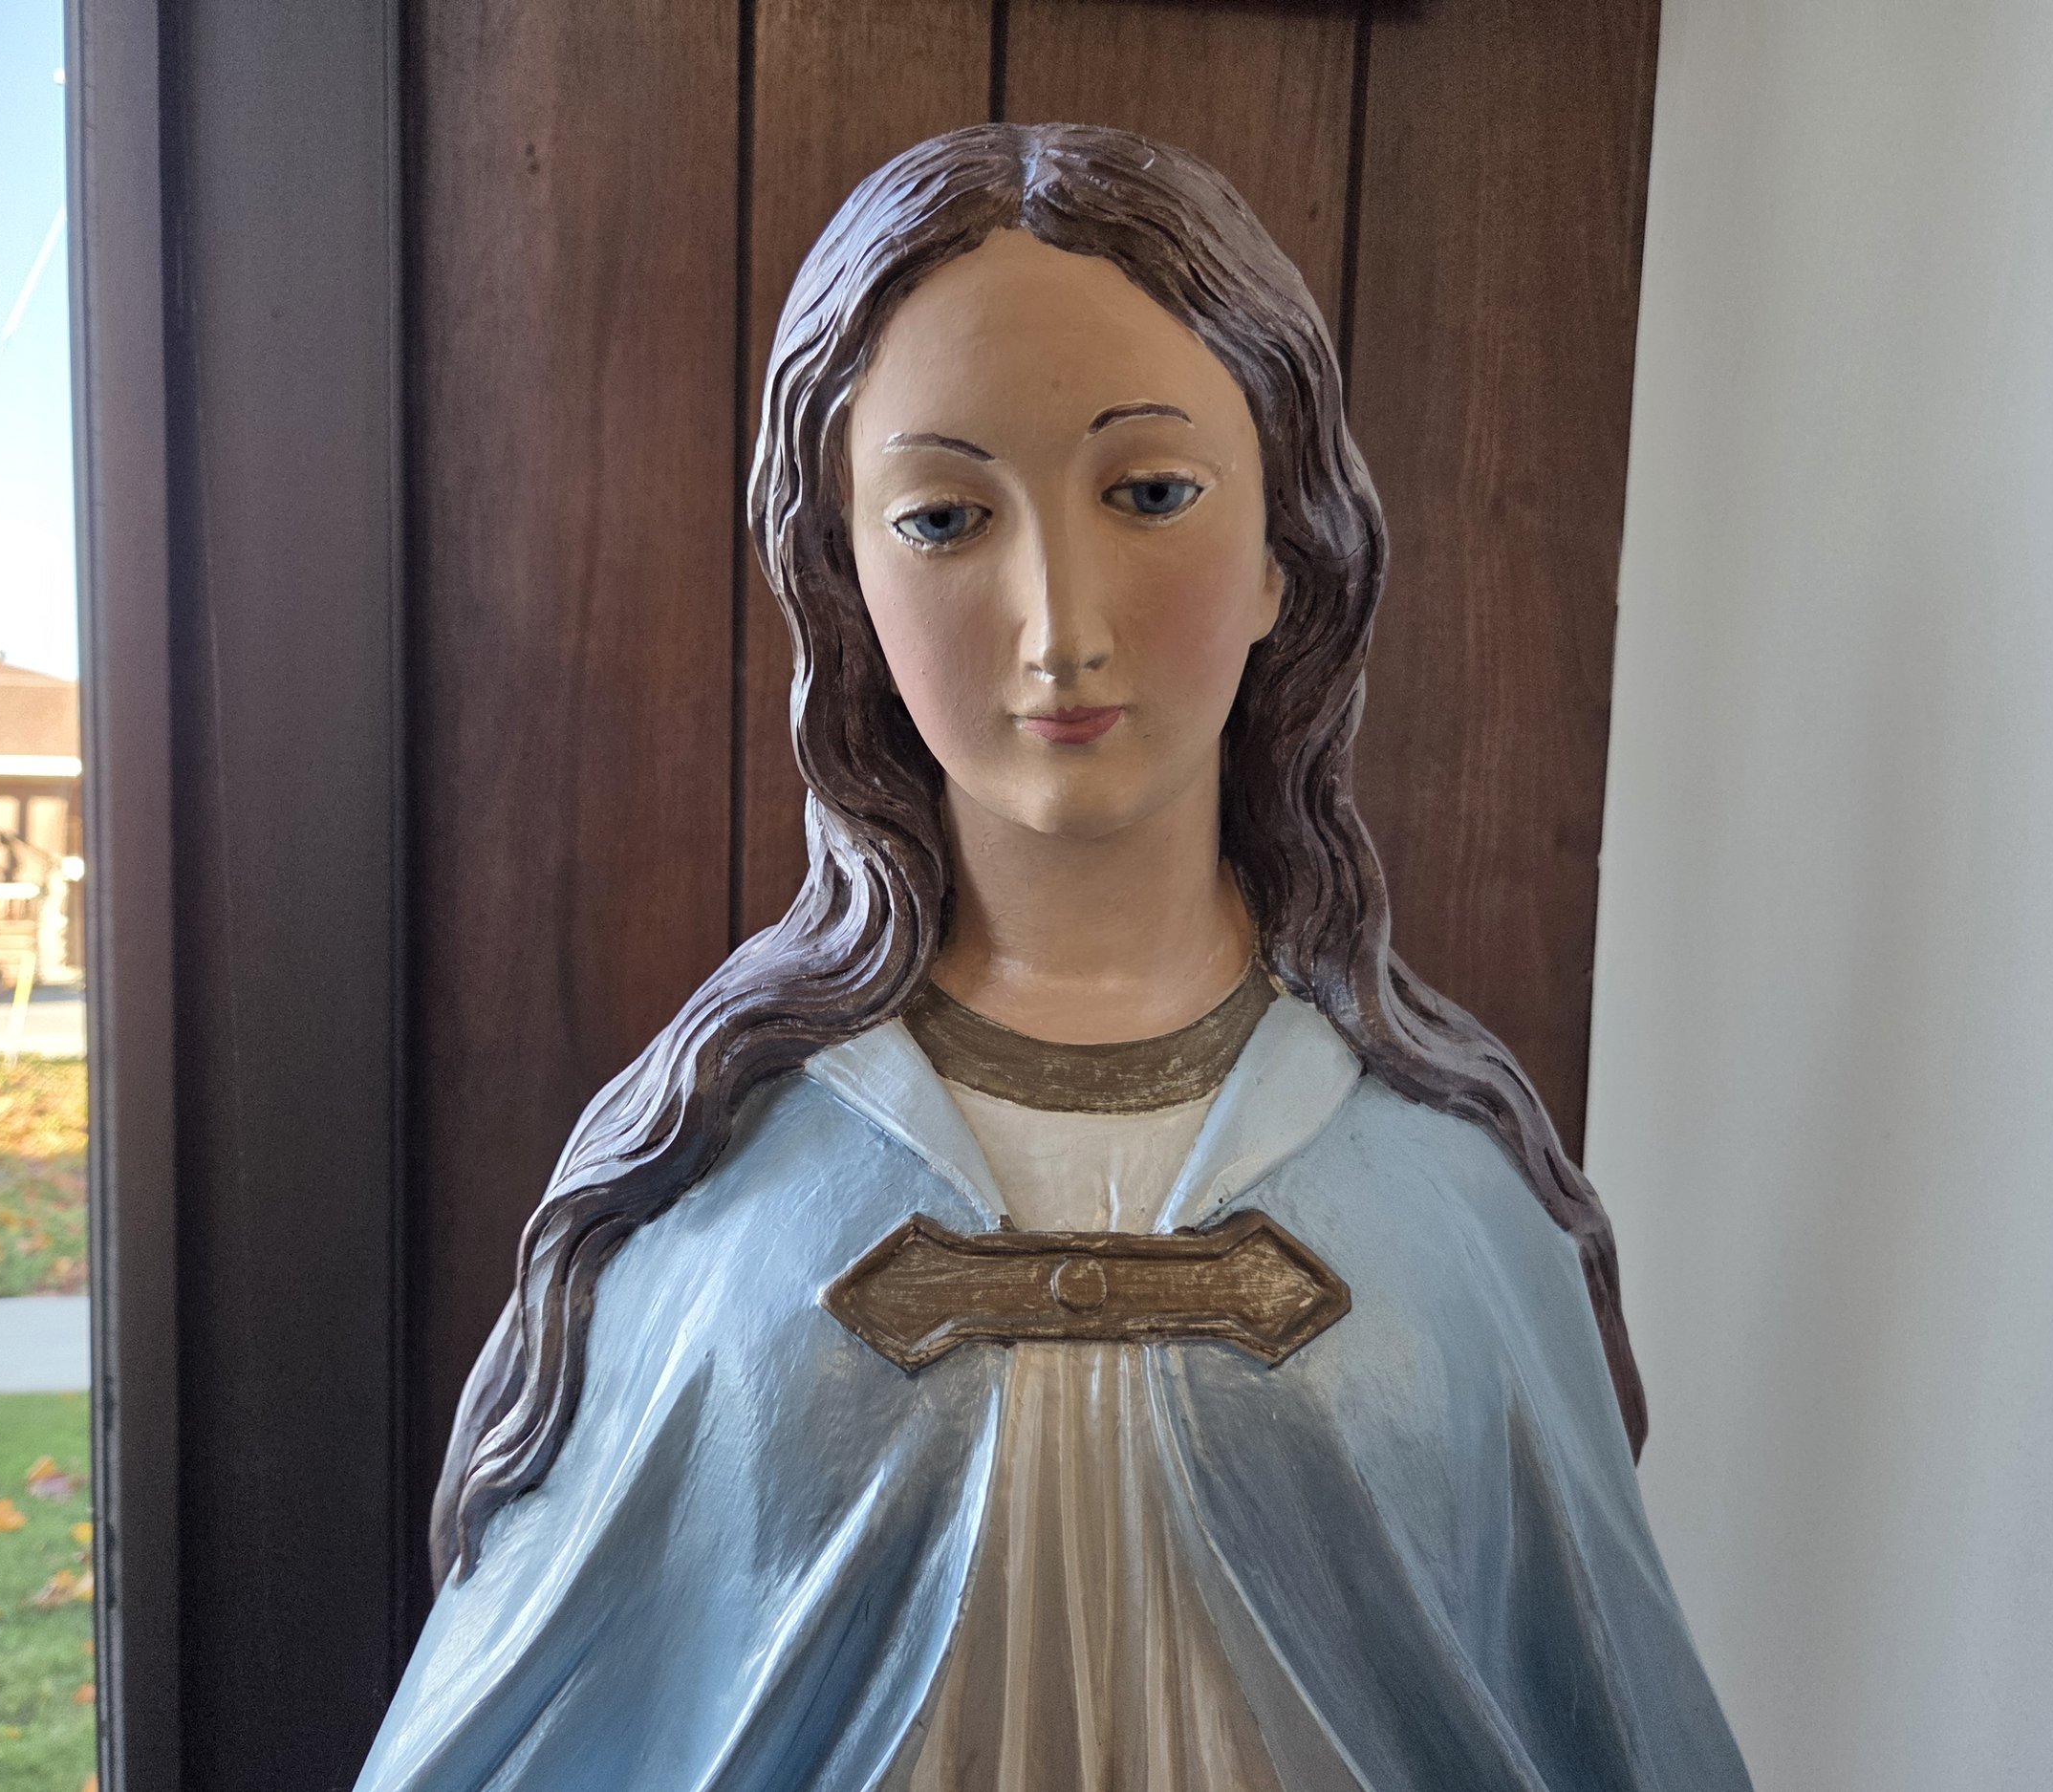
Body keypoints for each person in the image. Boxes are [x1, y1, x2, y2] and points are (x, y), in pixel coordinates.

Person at [355, 122, 1748, 1792]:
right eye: (945, 517)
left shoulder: (1453, 1198)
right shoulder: (709, 1201)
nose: (1058, 625)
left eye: (1150, 494)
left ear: (1283, 553)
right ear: (842, 579)